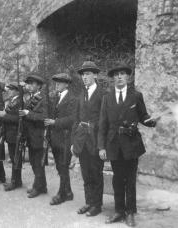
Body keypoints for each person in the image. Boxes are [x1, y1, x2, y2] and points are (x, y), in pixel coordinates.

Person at [98, 63, 157, 227]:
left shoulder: (136, 96)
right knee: (117, 179)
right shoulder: (107, 98)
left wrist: (151, 121)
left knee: (130, 180)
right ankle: (119, 211)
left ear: (128, 77)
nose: (119, 77)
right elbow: (103, 123)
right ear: (112, 79)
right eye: (116, 74)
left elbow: (143, 116)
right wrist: (101, 146)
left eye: (122, 74)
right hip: (114, 144)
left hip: (131, 144)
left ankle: (130, 212)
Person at [71, 61, 105, 217]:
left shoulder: (103, 94)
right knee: (86, 173)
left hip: (96, 140)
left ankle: (97, 205)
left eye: (88, 74)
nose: (84, 77)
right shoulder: (81, 95)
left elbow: (106, 121)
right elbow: (76, 120)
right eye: (83, 74)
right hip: (82, 141)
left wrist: (101, 143)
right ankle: (88, 202)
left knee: (96, 173)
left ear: (95, 75)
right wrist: (74, 142)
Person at [44, 73, 77, 205]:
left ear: (67, 84)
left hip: (66, 137)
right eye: (56, 82)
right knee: (60, 166)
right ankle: (68, 192)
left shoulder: (72, 99)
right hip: (56, 138)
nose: (57, 84)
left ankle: (61, 194)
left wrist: (55, 122)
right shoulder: (57, 97)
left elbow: (72, 119)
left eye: (60, 82)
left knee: (63, 166)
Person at [19, 74, 48, 198]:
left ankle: (38, 187)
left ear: (39, 86)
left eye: (32, 84)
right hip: (31, 136)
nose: (29, 86)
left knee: (37, 163)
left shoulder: (43, 99)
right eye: (28, 83)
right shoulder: (30, 98)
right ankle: (42, 185)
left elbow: (43, 117)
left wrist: (27, 113)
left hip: (39, 136)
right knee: (33, 161)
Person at [0, 82, 23, 191]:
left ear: (16, 91)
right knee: (14, 158)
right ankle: (16, 180)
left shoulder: (19, 102)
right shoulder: (13, 101)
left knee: (16, 158)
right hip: (10, 134)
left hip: (15, 134)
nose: (9, 91)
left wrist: (4, 116)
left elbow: (18, 119)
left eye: (11, 89)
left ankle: (15, 181)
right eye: (9, 89)